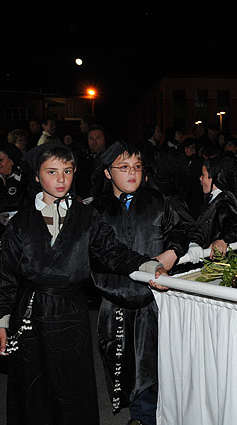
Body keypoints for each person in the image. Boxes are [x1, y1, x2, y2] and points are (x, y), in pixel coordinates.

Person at [0, 142, 168, 425]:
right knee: (34, 385)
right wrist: (0, 322)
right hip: (31, 311)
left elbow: (113, 252)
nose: (61, 179)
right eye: (52, 172)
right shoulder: (20, 223)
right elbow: (6, 275)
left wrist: (149, 266)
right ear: (37, 176)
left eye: (67, 171)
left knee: (72, 385)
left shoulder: (86, 216)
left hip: (70, 312)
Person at [92, 141, 192, 425]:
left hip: (154, 297)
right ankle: (140, 414)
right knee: (123, 360)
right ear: (108, 173)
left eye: (137, 166)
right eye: (123, 167)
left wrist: (172, 252)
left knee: (159, 360)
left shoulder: (157, 200)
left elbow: (181, 230)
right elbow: (97, 252)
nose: (132, 173)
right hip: (116, 297)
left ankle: (159, 414)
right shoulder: (96, 209)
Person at [197, 155, 237, 258]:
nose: (200, 178)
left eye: (203, 175)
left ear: (215, 180)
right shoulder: (215, 199)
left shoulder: (224, 200)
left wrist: (224, 240)